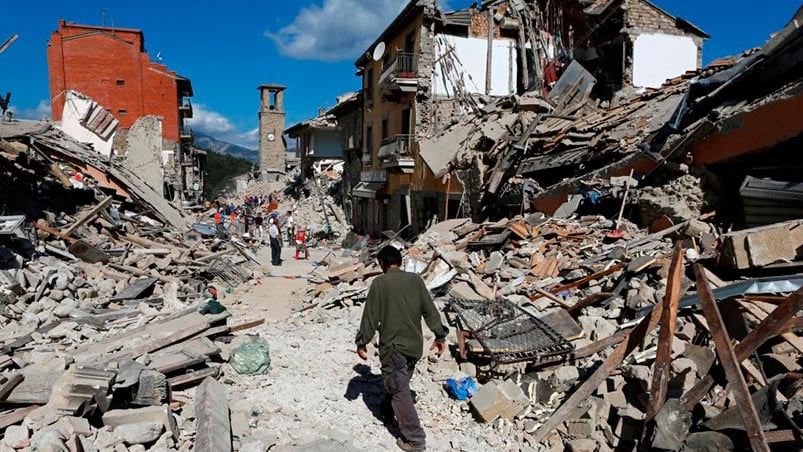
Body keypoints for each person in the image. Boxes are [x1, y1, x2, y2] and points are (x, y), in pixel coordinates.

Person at [355, 246, 448, 452]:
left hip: (394, 347)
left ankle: (415, 440)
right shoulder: (415, 280)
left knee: (399, 389)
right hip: (414, 347)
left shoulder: (380, 283)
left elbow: (370, 318)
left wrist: (362, 342)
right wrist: (440, 335)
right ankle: (387, 411)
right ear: (399, 261)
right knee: (399, 382)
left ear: (382, 264)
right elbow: (430, 310)